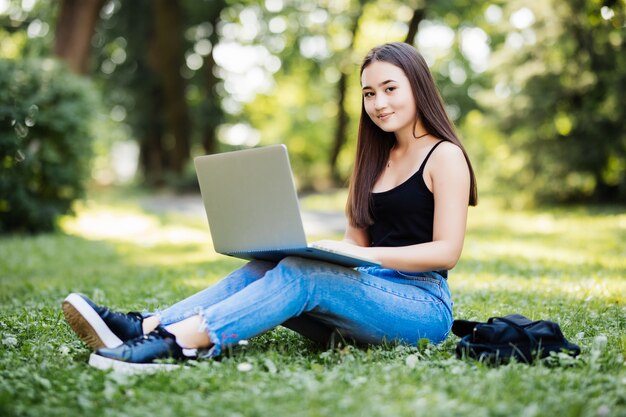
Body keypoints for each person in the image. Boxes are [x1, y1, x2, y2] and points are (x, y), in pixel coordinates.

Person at [62, 42, 478, 372]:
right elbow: (356, 244)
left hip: (420, 306)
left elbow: (446, 252)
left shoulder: (444, 156)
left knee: (301, 275)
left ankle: (182, 343)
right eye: (370, 93)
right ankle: (147, 326)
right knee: (273, 263)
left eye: (390, 89)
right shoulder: (371, 162)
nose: (379, 103)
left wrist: (361, 256)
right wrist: (321, 249)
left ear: (417, 87)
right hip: (366, 299)